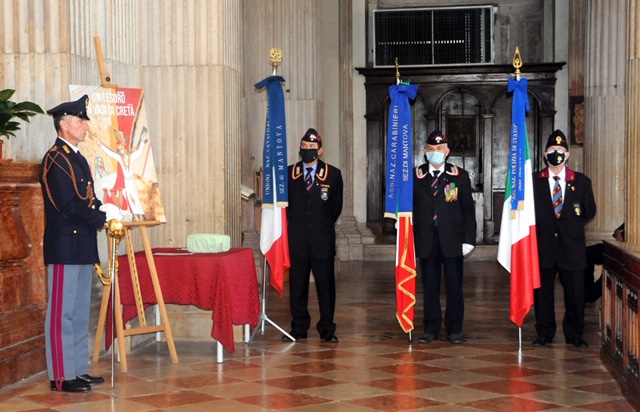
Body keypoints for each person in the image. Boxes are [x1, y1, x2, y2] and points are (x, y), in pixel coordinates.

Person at [39, 95, 120, 392]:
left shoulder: (77, 157)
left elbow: (87, 199)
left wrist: (103, 207)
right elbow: (68, 205)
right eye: (80, 121)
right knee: (62, 314)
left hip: (83, 246)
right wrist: (99, 218)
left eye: (84, 120)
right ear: (64, 125)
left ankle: (77, 370)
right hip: (64, 248)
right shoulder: (55, 158)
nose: (85, 125)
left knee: (79, 311)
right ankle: (61, 376)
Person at [532, 129, 596, 348]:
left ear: (567, 155)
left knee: (576, 294)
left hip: (572, 247)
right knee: (543, 294)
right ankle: (544, 333)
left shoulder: (582, 182)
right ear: (544, 155)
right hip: (543, 246)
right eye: (551, 150)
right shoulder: (534, 181)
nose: (556, 154)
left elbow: (589, 211)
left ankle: (575, 333)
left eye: (560, 150)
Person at [413, 130, 476, 344]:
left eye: (439, 149)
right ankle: (431, 327)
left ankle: (454, 328)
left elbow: (468, 210)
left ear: (447, 152)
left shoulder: (460, 175)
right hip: (426, 239)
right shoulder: (415, 175)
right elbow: (408, 208)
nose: (435, 153)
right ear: (425, 152)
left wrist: (469, 239)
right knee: (429, 285)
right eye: (431, 150)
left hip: (453, 239)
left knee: (454, 286)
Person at [283, 128, 343, 343]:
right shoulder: (289, 174)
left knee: (325, 286)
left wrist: (321, 226)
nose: (307, 150)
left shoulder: (333, 174)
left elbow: (335, 207)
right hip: (297, 240)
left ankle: (327, 328)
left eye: (311, 147)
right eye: (304, 146)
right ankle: (299, 327)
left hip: (322, 240)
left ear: (320, 149)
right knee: (297, 285)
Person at [584, 223, 625, 304]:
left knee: (609, 271)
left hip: (627, 254)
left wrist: (623, 235)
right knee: (586, 253)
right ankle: (585, 289)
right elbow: (617, 232)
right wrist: (619, 233)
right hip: (617, 249)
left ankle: (587, 296)